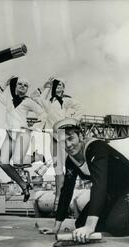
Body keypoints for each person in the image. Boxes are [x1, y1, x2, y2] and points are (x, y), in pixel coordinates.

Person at [50, 118, 129, 241]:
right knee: (80, 224)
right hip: (112, 191)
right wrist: (56, 227)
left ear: (80, 136)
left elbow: (99, 184)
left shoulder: (96, 147)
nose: (68, 145)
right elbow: (66, 191)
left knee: (116, 227)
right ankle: (114, 217)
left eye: (70, 138)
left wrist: (90, 227)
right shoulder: (71, 160)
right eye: (63, 142)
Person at [31, 77, 84, 213]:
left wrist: (73, 121)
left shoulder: (67, 100)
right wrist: (46, 86)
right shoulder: (47, 102)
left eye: (62, 84)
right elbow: (33, 96)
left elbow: (80, 107)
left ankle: (67, 198)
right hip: (54, 137)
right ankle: (58, 202)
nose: (60, 86)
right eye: (57, 84)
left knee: (71, 166)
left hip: (65, 136)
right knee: (58, 169)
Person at [0, 76, 46, 201]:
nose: (22, 86)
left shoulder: (28, 101)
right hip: (10, 134)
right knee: (3, 163)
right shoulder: (8, 100)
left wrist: (35, 127)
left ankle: (37, 157)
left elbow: (43, 113)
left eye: (25, 85)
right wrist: (6, 82)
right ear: (15, 86)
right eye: (20, 84)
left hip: (23, 133)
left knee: (17, 162)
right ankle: (23, 185)